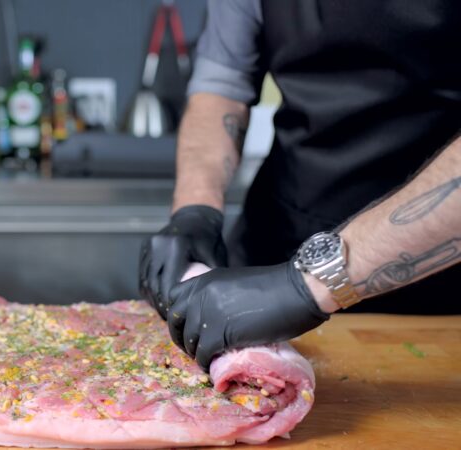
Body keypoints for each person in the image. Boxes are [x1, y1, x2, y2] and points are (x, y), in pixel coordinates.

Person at [139, 0, 461, 370]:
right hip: (277, 248)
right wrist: (195, 208)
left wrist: (313, 284)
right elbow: (222, 86)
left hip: (440, 278)